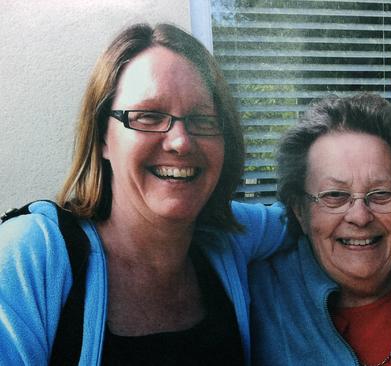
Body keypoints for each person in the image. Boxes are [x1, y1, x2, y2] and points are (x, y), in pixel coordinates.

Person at [0, 23, 287, 365]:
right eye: (148, 116)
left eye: (203, 119)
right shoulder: (32, 256)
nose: (181, 141)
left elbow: (311, 217)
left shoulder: (229, 239)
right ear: (102, 136)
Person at [248, 94, 391, 365]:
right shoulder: (256, 299)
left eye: (381, 194)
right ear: (299, 211)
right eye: (334, 196)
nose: (360, 217)